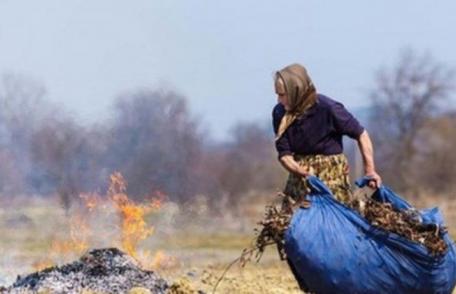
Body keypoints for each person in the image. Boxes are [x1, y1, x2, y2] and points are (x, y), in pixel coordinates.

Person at [272, 63, 382, 204]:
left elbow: (361, 134)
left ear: (296, 91)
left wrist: (369, 170)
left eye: (282, 95)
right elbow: (284, 155)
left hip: (332, 179)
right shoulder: (279, 113)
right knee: (291, 223)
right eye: (277, 94)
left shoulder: (328, 108)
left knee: (336, 221)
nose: (279, 100)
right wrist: (302, 172)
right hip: (299, 178)